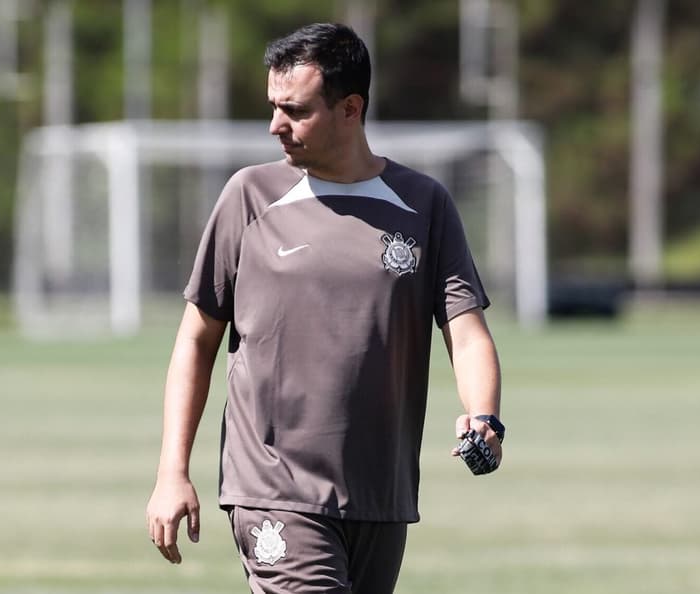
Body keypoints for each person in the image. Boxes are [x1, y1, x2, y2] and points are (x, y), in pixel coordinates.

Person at [146, 22, 503, 593]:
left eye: (295, 110)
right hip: (275, 490)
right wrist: (172, 472)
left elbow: (465, 329)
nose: (275, 126)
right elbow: (195, 340)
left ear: (350, 109)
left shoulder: (423, 204)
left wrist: (484, 415)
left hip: (380, 495)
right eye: (273, 107)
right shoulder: (249, 197)